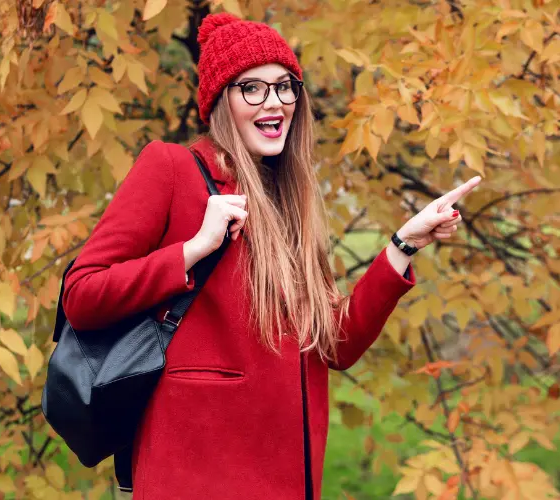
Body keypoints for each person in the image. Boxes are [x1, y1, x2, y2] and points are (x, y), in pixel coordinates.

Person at [61, 12, 482, 500]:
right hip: (198, 474)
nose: (275, 102)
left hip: (286, 479)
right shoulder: (172, 169)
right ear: (221, 100)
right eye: (252, 88)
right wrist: (195, 248)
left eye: (285, 87)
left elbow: (336, 345)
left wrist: (403, 245)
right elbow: (82, 293)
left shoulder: (289, 198)